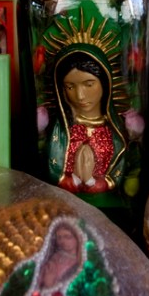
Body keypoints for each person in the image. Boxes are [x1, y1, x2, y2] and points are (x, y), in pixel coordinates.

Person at [46, 48, 129, 196]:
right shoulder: (62, 129)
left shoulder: (115, 131)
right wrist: (64, 180)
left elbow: (119, 167)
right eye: (70, 87)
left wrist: (107, 182)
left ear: (105, 84)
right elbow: (54, 163)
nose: (80, 95)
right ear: (62, 90)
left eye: (89, 84)